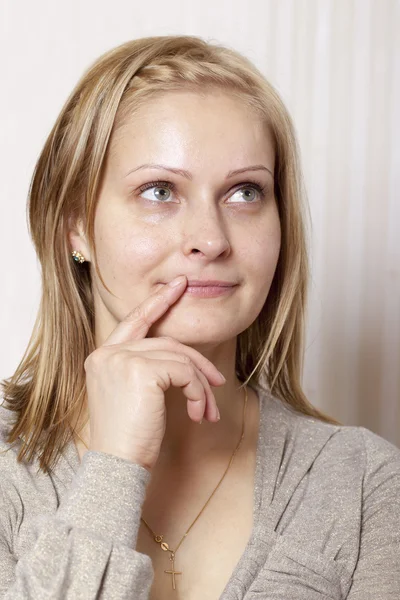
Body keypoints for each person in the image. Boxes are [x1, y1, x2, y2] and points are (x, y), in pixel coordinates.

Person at [0, 34, 399, 600]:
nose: (211, 240)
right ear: (75, 227)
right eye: (159, 191)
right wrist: (114, 469)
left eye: (244, 193)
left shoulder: (365, 487)